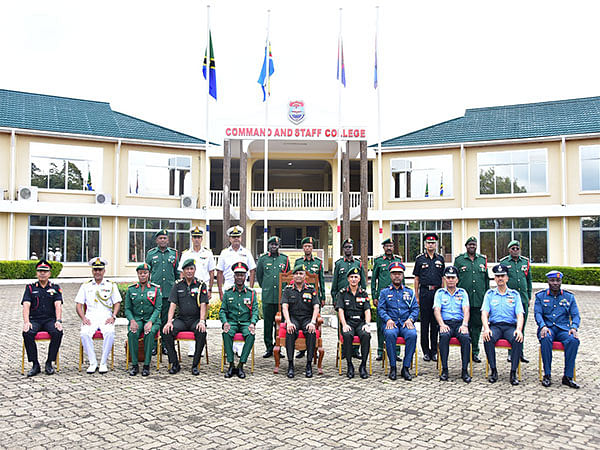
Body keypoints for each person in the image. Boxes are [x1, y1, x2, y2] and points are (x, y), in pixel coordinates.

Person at [534, 270, 581, 389]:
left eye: (558, 280)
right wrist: (543, 326)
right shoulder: (540, 296)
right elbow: (538, 314)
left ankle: (568, 377)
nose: (555, 283)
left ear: (561, 281)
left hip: (563, 329)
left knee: (573, 340)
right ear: (548, 281)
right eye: (552, 280)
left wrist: (574, 327)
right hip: (547, 328)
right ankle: (547, 375)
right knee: (546, 338)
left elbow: (575, 315)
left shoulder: (569, 297)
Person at [162, 259, 208, 375]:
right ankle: (175, 363)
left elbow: (203, 304)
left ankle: (195, 365)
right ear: (183, 271)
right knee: (167, 332)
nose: (189, 271)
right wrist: (169, 322)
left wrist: (202, 321)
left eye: (191, 269)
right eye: (187, 269)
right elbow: (172, 304)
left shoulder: (201, 285)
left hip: (196, 319)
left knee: (201, 332)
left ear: (194, 270)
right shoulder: (177, 285)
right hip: (182, 319)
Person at [75, 257, 121, 374]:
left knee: (110, 333)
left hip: (106, 316)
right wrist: (83, 318)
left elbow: (117, 303)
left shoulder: (111, 285)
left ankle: (103, 363)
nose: (97, 272)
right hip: (90, 316)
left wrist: (113, 316)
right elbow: (79, 305)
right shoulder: (86, 286)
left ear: (104, 271)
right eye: (95, 270)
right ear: (92, 271)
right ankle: (92, 362)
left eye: (100, 270)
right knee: (84, 333)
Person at [481, 264, 524, 385]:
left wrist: (519, 330)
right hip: (495, 326)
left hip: (510, 327)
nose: (500, 278)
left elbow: (520, 314)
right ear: (494, 278)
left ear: (507, 278)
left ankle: (513, 372)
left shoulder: (514, 295)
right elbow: (484, 313)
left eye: (502, 276)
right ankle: (493, 370)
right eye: (497, 276)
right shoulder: (489, 294)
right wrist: (486, 328)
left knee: (517, 339)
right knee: (487, 338)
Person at [21, 259, 63, 377]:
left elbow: (58, 305)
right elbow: (26, 305)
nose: (42, 273)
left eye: (45, 271)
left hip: (49, 320)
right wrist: (26, 322)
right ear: (36, 273)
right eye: (40, 271)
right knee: (27, 332)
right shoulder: (30, 288)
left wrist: (58, 321)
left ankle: (49, 362)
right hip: (35, 320)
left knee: (58, 332)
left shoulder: (55, 288)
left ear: (49, 273)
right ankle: (35, 364)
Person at [178, 226, 215, 357]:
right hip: (189, 289)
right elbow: (182, 273)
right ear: (192, 238)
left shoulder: (208, 253)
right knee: (189, 315)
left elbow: (211, 273)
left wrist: (210, 289)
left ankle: (200, 344)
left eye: (199, 237)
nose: (197, 239)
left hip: (202, 288)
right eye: (194, 237)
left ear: (202, 238)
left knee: (202, 317)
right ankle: (192, 347)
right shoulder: (186, 254)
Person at [378, 261, 418, 381]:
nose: (397, 276)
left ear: (403, 276)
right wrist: (388, 319)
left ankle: (405, 368)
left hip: (405, 323)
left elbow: (415, 308)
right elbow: (381, 309)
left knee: (412, 334)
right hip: (392, 323)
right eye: (394, 273)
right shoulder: (385, 292)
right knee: (390, 334)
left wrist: (411, 319)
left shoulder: (409, 292)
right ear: (390, 275)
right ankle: (393, 367)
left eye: (399, 274)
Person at [220, 262, 259, 379]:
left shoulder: (251, 294)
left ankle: (241, 365)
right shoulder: (228, 293)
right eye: (237, 275)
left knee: (251, 335)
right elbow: (222, 310)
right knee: (226, 333)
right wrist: (225, 322)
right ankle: (231, 365)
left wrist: (252, 323)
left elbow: (256, 310)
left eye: (242, 275)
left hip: (245, 323)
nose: (239, 277)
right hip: (231, 322)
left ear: (245, 276)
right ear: (234, 276)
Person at [454, 236, 489, 363]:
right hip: (464, 300)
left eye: (474, 244)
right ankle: (466, 351)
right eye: (470, 245)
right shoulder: (459, 260)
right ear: (466, 246)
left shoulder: (482, 260)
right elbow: (454, 279)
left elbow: (486, 280)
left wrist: (486, 298)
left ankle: (474, 352)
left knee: (477, 327)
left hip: (478, 299)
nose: (472, 247)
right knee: (465, 326)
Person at [434, 266, 471, 383]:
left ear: (457, 280)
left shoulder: (463, 292)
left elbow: (466, 310)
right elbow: (437, 310)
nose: (450, 280)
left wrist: (464, 325)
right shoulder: (439, 293)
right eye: (448, 277)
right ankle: (444, 369)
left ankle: (465, 370)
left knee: (465, 338)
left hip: (460, 323)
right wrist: (441, 325)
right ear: (444, 279)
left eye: (453, 277)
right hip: (446, 323)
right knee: (444, 336)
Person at [281, 265, 320, 378]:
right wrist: (288, 322)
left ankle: (308, 364)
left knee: (311, 332)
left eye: (301, 274)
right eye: (296, 273)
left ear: (305, 276)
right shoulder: (288, 290)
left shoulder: (311, 290)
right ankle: (290, 364)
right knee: (290, 331)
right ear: (293, 276)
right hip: (293, 318)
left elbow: (316, 306)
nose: (298, 276)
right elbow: (284, 307)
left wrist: (313, 322)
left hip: (307, 318)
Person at [124, 263, 162, 376]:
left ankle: (146, 365)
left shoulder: (155, 290)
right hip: (136, 319)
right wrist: (132, 321)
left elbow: (158, 308)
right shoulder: (131, 290)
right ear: (137, 274)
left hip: (152, 319)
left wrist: (150, 322)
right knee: (132, 333)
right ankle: (135, 365)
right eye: (140, 273)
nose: (142, 275)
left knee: (149, 333)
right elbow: (127, 308)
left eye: (145, 273)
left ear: (149, 274)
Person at [146, 229, 180, 355]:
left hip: (168, 292)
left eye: (164, 238)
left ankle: (166, 345)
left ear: (168, 240)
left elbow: (177, 273)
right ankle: (154, 345)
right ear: (156, 240)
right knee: (154, 319)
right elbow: (147, 273)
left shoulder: (174, 254)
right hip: (154, 292)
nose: (162, 240)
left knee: (167, 320)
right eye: (160, 238)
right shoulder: (150, 254)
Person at [256, 236, 290, 358]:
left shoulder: (284, 259)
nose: (273, 247)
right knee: (268, 324)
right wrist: (266, 286)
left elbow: (288, 277)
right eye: (271, 245)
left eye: (275, 245)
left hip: (281, 299)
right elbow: (259, 276)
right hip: (268, 297)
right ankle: (269, 348)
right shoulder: (263, 259)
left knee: (281, 324)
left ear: (279, 245)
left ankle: (278, 347)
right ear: (268, 246)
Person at [413, 233, 445, 362]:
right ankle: (426, 351)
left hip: (437, 293)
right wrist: (416, 296)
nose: (430, 245)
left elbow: (443, 278)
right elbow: (416, 278)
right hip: (425, 292)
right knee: (425, 323)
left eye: (433, 243)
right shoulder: (420, 259)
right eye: (428, 243)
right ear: (425, 245)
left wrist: (443, 294)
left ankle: (434, 351)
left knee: (435, 324)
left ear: (436, 244)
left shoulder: (440, 259)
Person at [499, 240, 532, 363]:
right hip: (510, 299)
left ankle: (520, 352)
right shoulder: (504, 262)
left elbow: (529, 280)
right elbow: (501, 279)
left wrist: (529, 296)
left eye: (517, 248)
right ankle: (510, 352)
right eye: (512, 248)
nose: (515, 250)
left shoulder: (525, 262)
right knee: (511, 325)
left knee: (521, 327)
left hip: (522, 298)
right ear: (509, 250)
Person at [371, 238, 403, 362]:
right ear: (383, 248)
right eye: (386, 246)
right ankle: (380, 350)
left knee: (397, 322)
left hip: (396, 297)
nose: (389, 248)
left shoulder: (398, 260)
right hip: (382, 298)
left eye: (391, 245)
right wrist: (374, 296)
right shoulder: (379, 261)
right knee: (381, 325)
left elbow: (402, 279)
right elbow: (374, 280)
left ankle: (396, 351)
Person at [336, 267, 371, 379]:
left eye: (356, 277)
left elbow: (367, 310)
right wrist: (344, 325)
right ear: (348, 279)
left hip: (360, 322)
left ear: (359, 279)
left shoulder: (363, 293)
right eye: (351, 277)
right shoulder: (342, 293)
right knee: (347, 335)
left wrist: (367, 324)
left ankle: (363, 366)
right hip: (349, 322)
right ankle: (350, 365)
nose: (354, 279)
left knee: (366, 335)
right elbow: (340, 310)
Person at [293, 236, 325, 359]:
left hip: (314, 298)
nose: (308, 248)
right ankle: (302, 350)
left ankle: (313, 349)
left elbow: (321, 280)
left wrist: (322, 296)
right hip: (301, 298)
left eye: (310, 246)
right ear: (303, 248)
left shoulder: (318, 262)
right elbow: (294, 278)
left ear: (312, 248)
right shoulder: (298, 262)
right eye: (306, 246)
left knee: (314, 323)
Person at [216, 225, 256, 301]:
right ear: (230, 239)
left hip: (244, 287)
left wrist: (251, 288)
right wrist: (220, 292)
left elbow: (252, 270)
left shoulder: (246, 252)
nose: (236, 239)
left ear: (241, 238)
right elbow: (219, 273)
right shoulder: (224, 253)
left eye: (238, 236)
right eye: (234, 237)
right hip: (228, 286)